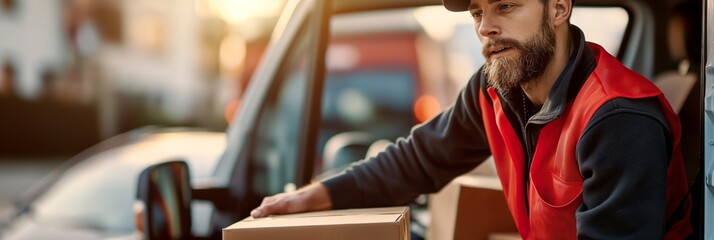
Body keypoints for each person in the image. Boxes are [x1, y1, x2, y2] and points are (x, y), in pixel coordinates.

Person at [250, 0, 693, 238]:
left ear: (559, 8)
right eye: (479, 12)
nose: (485, 27)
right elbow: (419, 159)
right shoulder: (495, 88)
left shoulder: (618, 118)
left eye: (505, 6)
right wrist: (316, 196)